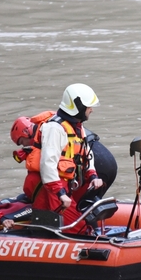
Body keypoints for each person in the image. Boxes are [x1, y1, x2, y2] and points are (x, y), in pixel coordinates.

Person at [29, 83, 104, 234]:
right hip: (52, 189)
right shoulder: (54, 128)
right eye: (89, 106)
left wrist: (92, 175)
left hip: (66, 187)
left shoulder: (77, 127)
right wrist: (60, 193)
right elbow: (48, 165)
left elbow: (86, 153)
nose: (92, 110)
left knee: (87, 223)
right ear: (78, 106)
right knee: (79, 229)